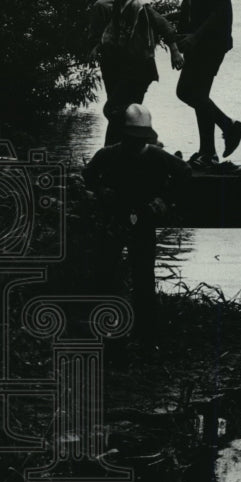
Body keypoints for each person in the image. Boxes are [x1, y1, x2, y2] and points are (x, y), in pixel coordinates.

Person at [83, 104, 191, 340]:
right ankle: (101, 330)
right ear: (123, 136)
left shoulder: (156, 156)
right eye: (133, 139)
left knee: (144, 278)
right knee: (104, 275)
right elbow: (88, 176)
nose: (136, 144)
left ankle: (146, 334)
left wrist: (165, 199)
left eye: (140, 139)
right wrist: (102, 191)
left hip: (143, 221)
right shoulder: (107, 155)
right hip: (114, 221)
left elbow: (184, 172)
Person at [164, 0, 241, 168]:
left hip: (210, 46)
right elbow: (195, 10)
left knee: (187, 92)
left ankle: (229, 126)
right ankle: (208, 152)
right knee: (200, 96)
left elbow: (220, 13)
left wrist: (195, 37)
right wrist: (170, 19)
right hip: (204, 45)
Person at [88, 0, 184, 145]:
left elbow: (163, 24)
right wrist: (98, 47)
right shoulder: (119, 4)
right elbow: (112, 32)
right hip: (129, 68)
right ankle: (119, 149)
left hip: (140, 69)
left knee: (113, 109)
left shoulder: (138, 5)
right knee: (123, 110)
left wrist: (174, 50)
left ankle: (149, 139)